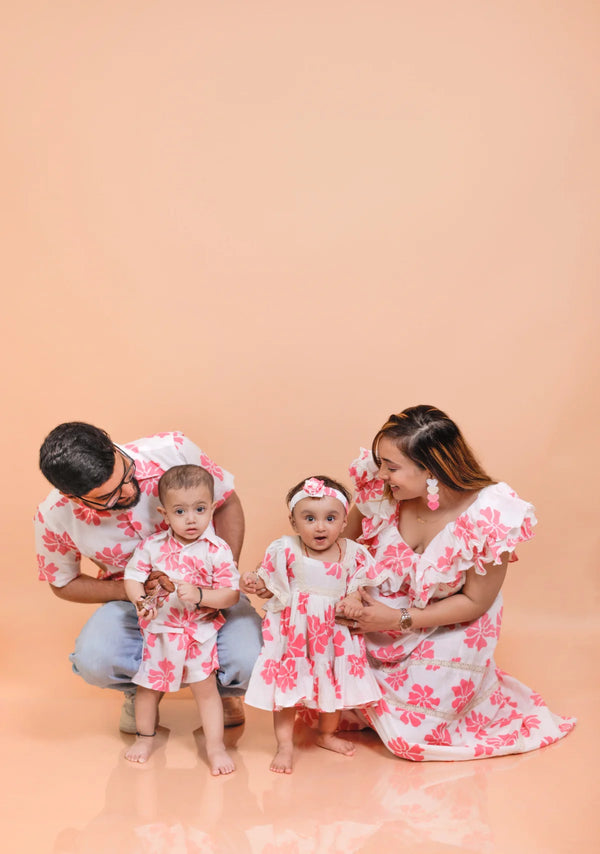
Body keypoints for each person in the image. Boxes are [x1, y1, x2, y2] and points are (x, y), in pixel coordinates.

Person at [335, 405, 576, 760]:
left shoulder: (488, 515)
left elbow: (477, 601)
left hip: (445, 625)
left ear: (430, 469)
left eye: (392, 467)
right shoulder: (383, 490)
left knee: (412, 737)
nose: (381, 474)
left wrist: (398, 620)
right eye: (381, 462)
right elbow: (346, 546)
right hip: (373, 614)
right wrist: (352, 593)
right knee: (312, 629)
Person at [35, 422, 262, 732]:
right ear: (71, 497)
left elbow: (225, 502)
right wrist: (132, 591)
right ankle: (139, 690)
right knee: (95, 660)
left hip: (206, 592)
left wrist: (220, 581)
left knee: (254, 660)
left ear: (113, 446)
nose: (130, 491)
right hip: (133, 604)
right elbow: (62, 583)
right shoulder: (53, 516)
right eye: (109, 496)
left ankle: (219, 692)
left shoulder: (173, 450)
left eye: (127, 474)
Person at [242, 476, 388, 773]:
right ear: (294, 522)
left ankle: (326, 733)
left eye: (330, 518)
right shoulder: (285, 549)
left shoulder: (353, 554)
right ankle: (284, 745)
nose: (320, 527)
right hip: (295, 635)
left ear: (344, 520)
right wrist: (256, 583)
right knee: (286, 692)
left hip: (332, 635)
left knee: (331, 686)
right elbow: (273, 585)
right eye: (309, 518)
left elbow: (357, 589)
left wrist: (353, 601)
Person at [124, 464, 239, 772]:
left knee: (207, 692)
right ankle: (145, 737)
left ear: (212, 508)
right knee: (148, 689)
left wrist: (201, 595)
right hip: (161, 630)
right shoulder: (153, 546)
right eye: (180, 511)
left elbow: (230, 595)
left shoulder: (217, 549)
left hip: (197, 633)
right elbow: (133, 576)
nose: (191, 519)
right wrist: (139, 600)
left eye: (200, 509)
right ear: (164, 514)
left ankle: (215, 748)